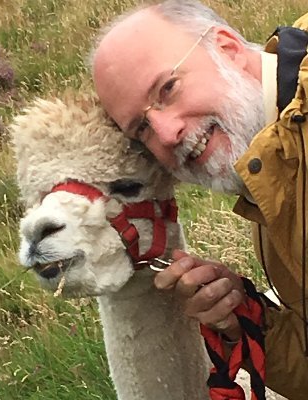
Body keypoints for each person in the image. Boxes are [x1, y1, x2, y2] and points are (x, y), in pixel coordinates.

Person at [90, 0, 308, 398]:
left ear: (227, 47)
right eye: (142, 130)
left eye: (168, 89)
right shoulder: (267, 172)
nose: (167, 132)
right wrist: (245, 319)